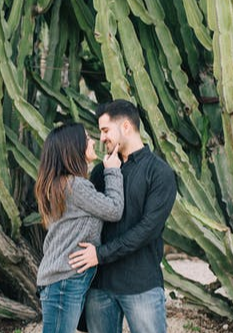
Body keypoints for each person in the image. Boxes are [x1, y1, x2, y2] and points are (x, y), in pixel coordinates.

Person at [68, 100, 177, 333]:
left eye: (105, 130)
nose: (102, 138)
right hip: (100, 286)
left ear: (126, 126)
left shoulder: (160, 173)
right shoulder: (100, 172)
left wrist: (100, 254)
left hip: (141, 285)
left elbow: (147, 229)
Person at [35, 123, 124, 333]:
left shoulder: (61, 185)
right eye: (86, 138)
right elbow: (114, 210)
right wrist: (112, 172)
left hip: (60, 278)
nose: (93, 141)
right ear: (73, 148)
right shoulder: (75, 186)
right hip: (64, 280)